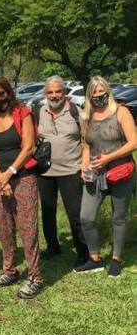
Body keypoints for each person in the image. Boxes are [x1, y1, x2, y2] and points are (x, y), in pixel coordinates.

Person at [0, 77, 43, 299]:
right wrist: (0, 177)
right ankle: (9, 271)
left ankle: (35, 276)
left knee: (28, 229)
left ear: (9, 93)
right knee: (4, 228)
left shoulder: (23, 113)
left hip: (23, 178)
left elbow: (28, 147)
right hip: (0, 181)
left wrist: (9, 173)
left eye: (1, 93)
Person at [74, 76, 136, 277]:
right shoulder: (86, 117)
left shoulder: (121, 112)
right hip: (96, 173)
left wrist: (109, 157)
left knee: (119, 217)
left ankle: (116, 259)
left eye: (102, 92)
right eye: (95, 92)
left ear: (108, 91)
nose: (99, 95)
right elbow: (86, 146)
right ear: (89, 95)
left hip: (121, 171)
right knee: (86, 217)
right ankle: (95, 258)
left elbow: (133, 142)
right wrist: (84, 166)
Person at [36, 76, 89, 265]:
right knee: (47, 212)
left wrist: (84, 165)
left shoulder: (77, 112)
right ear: (45, 94)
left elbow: (86, 142)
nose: (54, 95)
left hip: (71, 171)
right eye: (50, 92)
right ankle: (53, 247)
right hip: (45, 172)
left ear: (64, 92)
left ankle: (83, 252)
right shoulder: (38, 111)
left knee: (75, 213)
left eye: (58, 91)